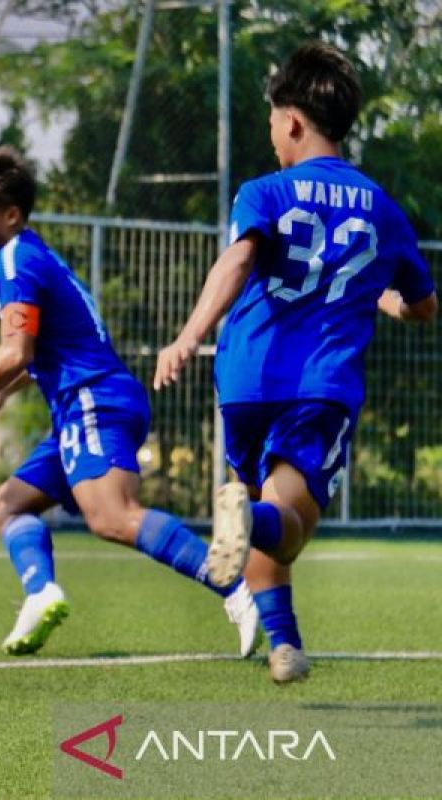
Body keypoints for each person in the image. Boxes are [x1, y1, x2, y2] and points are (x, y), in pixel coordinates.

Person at [154, 43, 436, 683]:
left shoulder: (264, 191)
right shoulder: (382, 208)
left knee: (256, 512)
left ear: (292, 122)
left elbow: (238, 261)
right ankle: (245, 518)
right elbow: (426, 306)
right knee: (287, 527)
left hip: (247, 380)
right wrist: (389, 301)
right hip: (320, 385)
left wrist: (189, 334)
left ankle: (284, 644)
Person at [0, 146, 260, 657]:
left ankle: (236, 589)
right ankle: (41, 592)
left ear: (10, 216)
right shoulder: (32, 254)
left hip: (93, 401)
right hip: (86, 403)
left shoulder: (14, 259)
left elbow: (15, 352)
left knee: (112, 517)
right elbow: (42, 351)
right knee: (6, 505)